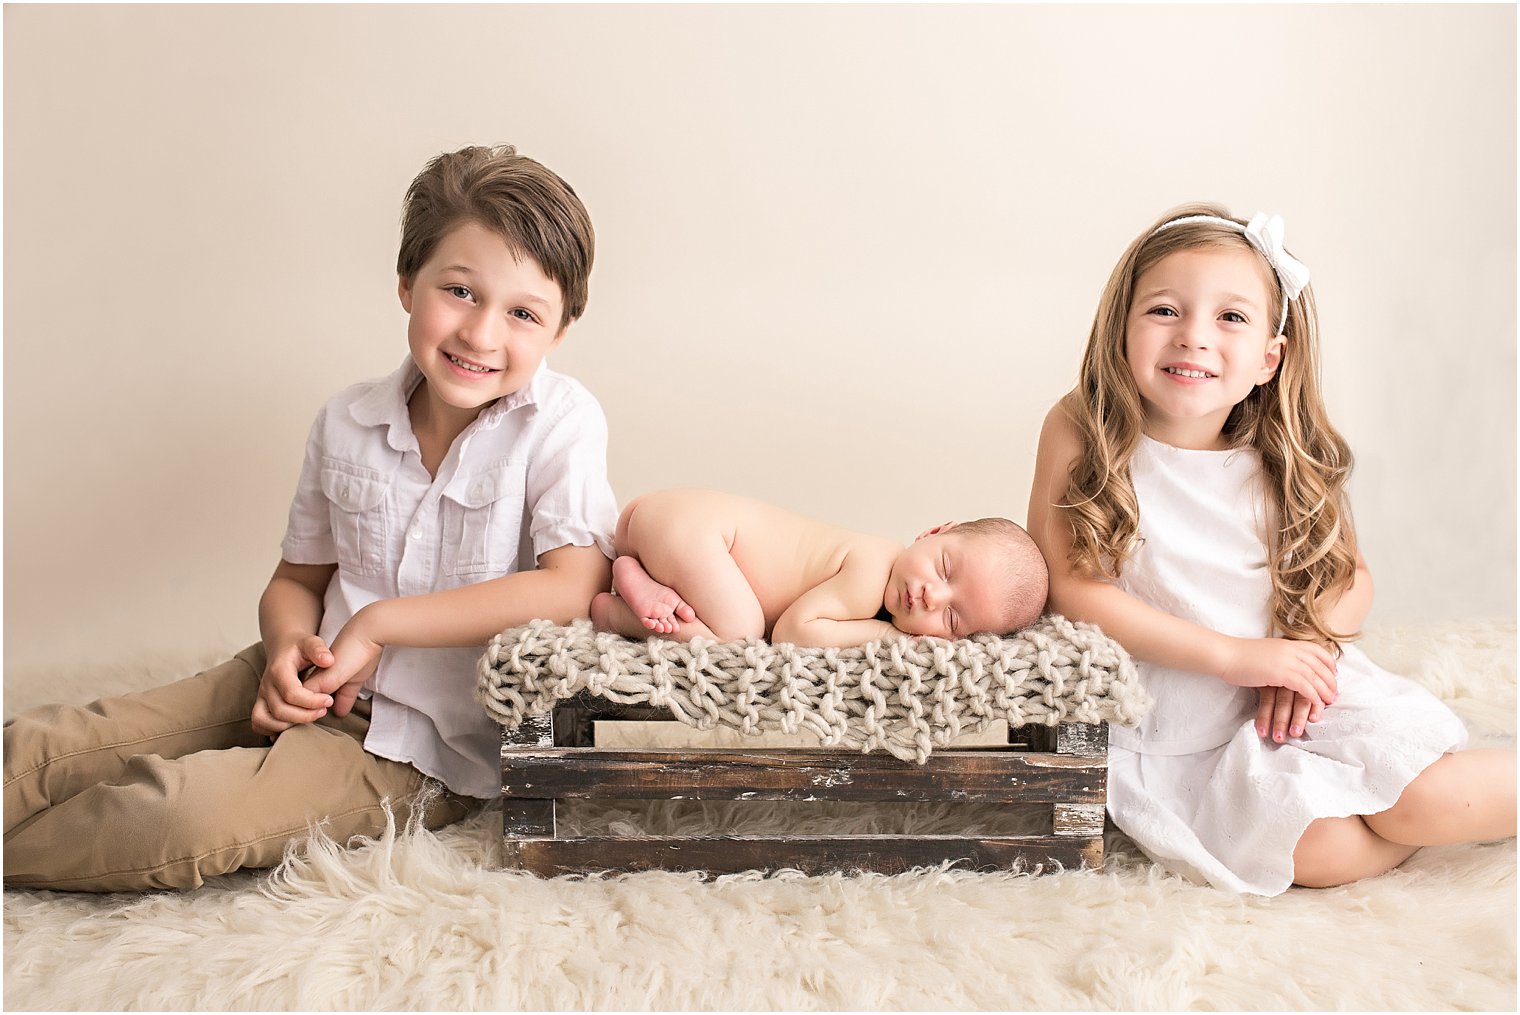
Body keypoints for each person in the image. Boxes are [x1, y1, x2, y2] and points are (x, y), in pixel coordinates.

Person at [4, 145, 618, 892]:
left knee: (170, 813)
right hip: (304, 674)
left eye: (523, 313)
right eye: (459, 290)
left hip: (418, 745)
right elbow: (297, 579)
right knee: (55, 745)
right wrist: (288, 644)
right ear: (406, 284)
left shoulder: (561, 423)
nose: (482, 334)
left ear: (558, 333)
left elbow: (570, 586)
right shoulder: (347, 420)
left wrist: (381, 623)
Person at [1026, 203, 1516, 894]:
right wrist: (1237, 658)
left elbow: (1351, 579)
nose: (1193, 337)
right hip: (1178, 724)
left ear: (1268, 357)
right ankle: (1396, 833)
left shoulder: (1280, 452)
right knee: (1313, 852)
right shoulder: (1083, 427)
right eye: (1165, 310)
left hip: (1294, 693)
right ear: (1120, 328)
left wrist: (1296, 654)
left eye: (1230, 317)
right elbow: (1074, 591)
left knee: (1429, 799)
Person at [590, 488, 1048, 648]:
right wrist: (889, 636)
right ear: (933, 531)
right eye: (945, 569)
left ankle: (638, 576)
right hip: (694, 530)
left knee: (725, 615)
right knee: (739, 631)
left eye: (951, 617)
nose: (933, 595)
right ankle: (615, 613)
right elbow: (794, 632)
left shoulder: (881, 567)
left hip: (666, 526)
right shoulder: (873, 571)